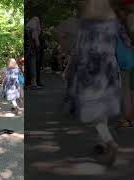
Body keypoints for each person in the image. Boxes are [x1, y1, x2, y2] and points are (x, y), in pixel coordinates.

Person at [67, 0, 125, 166]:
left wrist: (69, 70)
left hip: (92, 69)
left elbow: (79, 49)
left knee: (91, 110)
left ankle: (109, 142)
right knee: (103, 107)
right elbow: (124, 43)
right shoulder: (113, 22)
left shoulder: (87, 24)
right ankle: (102, 142)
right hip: (111, 68)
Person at [27, 17, 42, 90]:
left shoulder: (27, 28)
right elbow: (36, 40)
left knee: (28, 67)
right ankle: (34, 83)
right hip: (31, 50)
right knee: (33, 66)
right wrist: (38, 45)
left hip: (27, 50)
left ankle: (28, 83)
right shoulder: (34, 29)